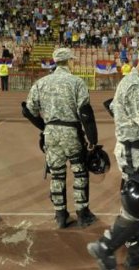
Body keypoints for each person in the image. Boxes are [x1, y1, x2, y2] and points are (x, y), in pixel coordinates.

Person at [87, 45, 139, 270]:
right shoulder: (137, 85)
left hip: (134, 147)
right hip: (135, 149)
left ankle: (135, 254)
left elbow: (114, 107)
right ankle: (105, 247)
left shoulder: (132, 82)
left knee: (137, 204)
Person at [23, 48, 98, 229]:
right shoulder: (76, 82)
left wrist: (44, 127)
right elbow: (85, 112)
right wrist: (92, 138)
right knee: (79, 172)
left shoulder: (41, 83)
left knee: (56, 174)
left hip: (51, 133)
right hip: (71, 131)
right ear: (69, 61)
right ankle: (82, 213)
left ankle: (60, 215)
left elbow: (28, 110)